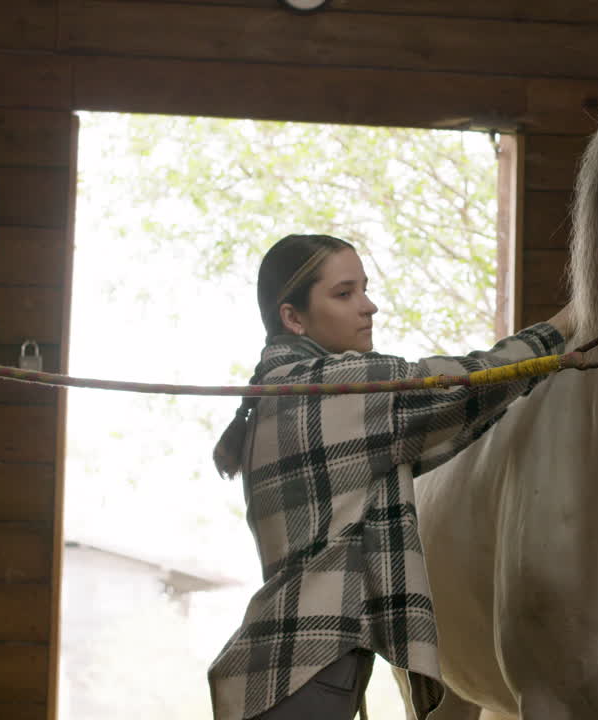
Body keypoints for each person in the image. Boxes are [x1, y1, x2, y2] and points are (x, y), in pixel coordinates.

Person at [209, 234, 574, 719]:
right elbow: (471, 382)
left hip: (282, 672)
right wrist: (568, 323)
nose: (369, 306)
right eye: (344, 294)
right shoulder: (336, 391)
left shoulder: (276, 395)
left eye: (364, 288)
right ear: (293, 318)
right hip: (304, 673)